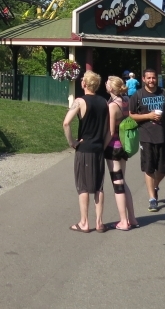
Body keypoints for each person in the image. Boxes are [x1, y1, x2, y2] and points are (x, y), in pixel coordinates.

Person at [62, 70, 108, 232]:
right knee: (98, 186)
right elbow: (108, 130)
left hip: (85, 148)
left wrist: (72, 142)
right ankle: (100, 222)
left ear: (85, 84)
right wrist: (103, 144)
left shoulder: (80, 101)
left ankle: (84, 222)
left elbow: (66, 123)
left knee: (83, 186)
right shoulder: (104, 102)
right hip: (98, 149)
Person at [128, 68, 165, 211]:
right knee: (148, 168)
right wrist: (148, 116)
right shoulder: (137, 95)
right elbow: (131, 115)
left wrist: (163, 123)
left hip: (162, 136)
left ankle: (154, 186)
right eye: (149, 78)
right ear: (143, 79)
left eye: (153, 78)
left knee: (164, 168)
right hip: (146, 136)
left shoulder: (164, 93)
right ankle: (152, 199)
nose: (151, 80)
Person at [104, 75, 137, 230]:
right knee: (123, 181)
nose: (105, 84)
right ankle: (132, 218)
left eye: (107, 83)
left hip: (114, 147)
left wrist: (102, 147)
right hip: (124, 145)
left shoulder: (112, 106)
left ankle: (123, 221)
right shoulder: (125, 100)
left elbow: (110, 131)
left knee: (117, 184)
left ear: (111, 88)